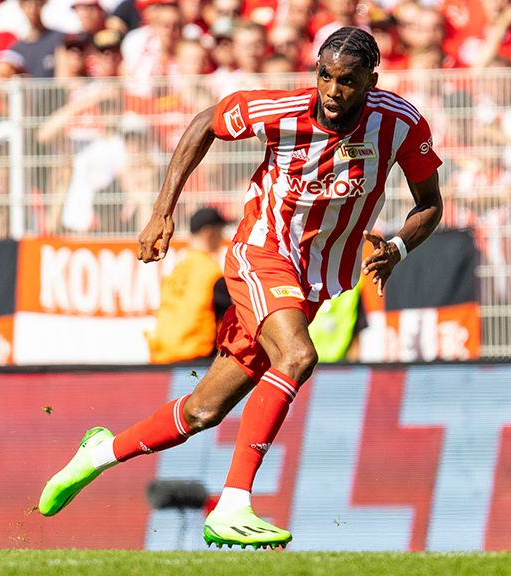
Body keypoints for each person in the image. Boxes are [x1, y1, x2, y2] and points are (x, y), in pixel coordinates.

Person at [38, 27, 443, 549]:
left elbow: (429, 203)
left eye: (347, 80)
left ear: (372, 79)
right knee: (296, 356)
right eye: (325, 75)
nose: (333, 91)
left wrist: (400, 246)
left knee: (204, 411)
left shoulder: (401, 123)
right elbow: (206, 121)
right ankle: (234, 503)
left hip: (314, 281)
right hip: (263, 253)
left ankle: (98, 453)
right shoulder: (281, 110)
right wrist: (162, 212)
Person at [146, 207, 233, 364]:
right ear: (209, 233)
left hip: (162, 356)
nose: (222, 237)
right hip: (194, 358)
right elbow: (229, 323)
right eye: (221, 231)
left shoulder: (177, 271)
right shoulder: (211, 273)